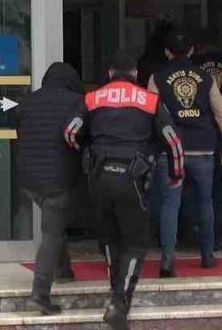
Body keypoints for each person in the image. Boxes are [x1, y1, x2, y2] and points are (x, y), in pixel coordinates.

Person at [66, 53, 183, 330]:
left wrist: (85, 150)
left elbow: (70, 131)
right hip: (132, 177)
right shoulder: (150, 100)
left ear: (109, 73)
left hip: (99, 177)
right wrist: (176, 173)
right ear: (136, 73)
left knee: (109, 240)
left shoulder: (92, 98)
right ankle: (119, 304)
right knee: (134, 243)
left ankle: (115, 295)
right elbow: (174, 142)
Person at [149, 30, 222, 277]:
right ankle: (207, 255)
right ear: (192, 51)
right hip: (203, 149)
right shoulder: (205, 77)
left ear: (167, 52)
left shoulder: (157, 78)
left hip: (171, 150)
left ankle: (167, 260)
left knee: (170, 204)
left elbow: (151, 115)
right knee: (206, 202)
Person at [14, 62, 84, 316]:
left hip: (29, 179)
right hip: (58, 176)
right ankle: (40, 293)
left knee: (55, 221)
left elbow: (19, 133)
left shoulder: (27, 102)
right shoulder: (77, 102)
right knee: (52, 231)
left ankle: (64, 269)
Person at [193, 30, 222, 252]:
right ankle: (214, 239)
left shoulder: (196, 68)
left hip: (199, 132)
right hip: (218, 133)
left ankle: (193, 235)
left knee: (193, 192)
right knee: (216, 192)